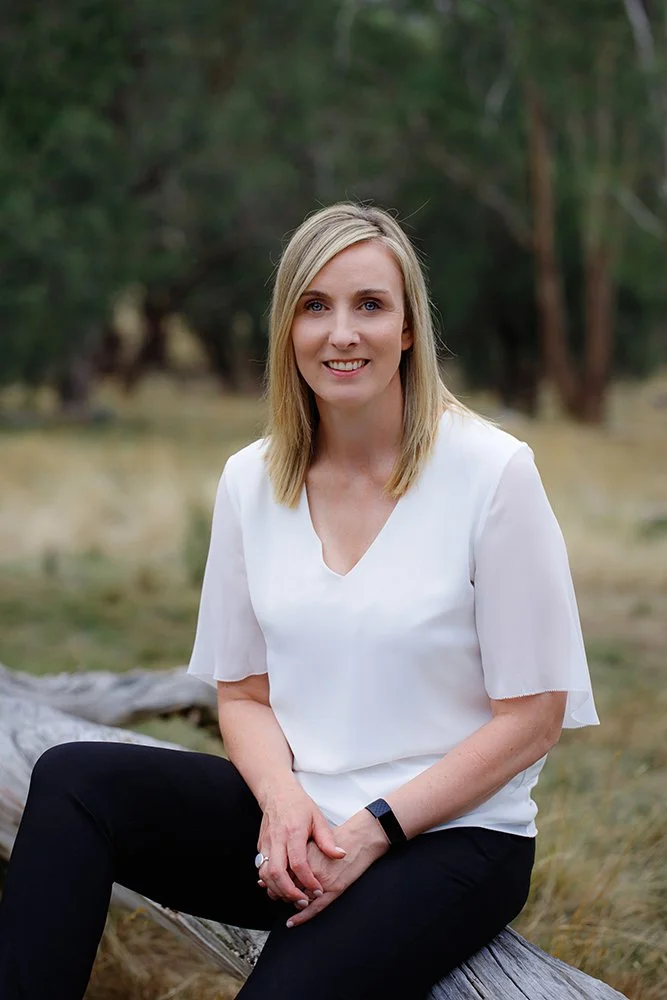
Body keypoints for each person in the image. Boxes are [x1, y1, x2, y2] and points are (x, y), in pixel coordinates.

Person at [0, 202, 599, 1000]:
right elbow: (242, 694)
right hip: (300, 818)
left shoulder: (492, 473)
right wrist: (282, 805)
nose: (340, 333)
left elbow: (532, 717)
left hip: (451, 836)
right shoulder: (252, 478)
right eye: (315, 306)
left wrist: (375, 829)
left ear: (409, 329)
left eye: (369, 305)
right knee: (75, 779)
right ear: (287, 328)